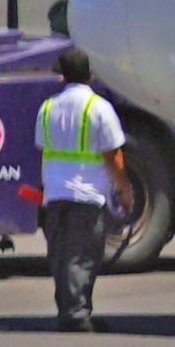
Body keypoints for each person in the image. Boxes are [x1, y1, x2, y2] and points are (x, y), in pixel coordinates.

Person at [31, 65, 134, 326]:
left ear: (62, 76)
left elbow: (42, 148)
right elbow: (113, 155)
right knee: (82, 256)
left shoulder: (47, 108)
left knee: (61, 256)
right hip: (86, 194)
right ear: (89, 74)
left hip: (54, 194)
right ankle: (75, 315)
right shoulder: (98, 108)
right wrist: (124, 189)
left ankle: (72, 311)